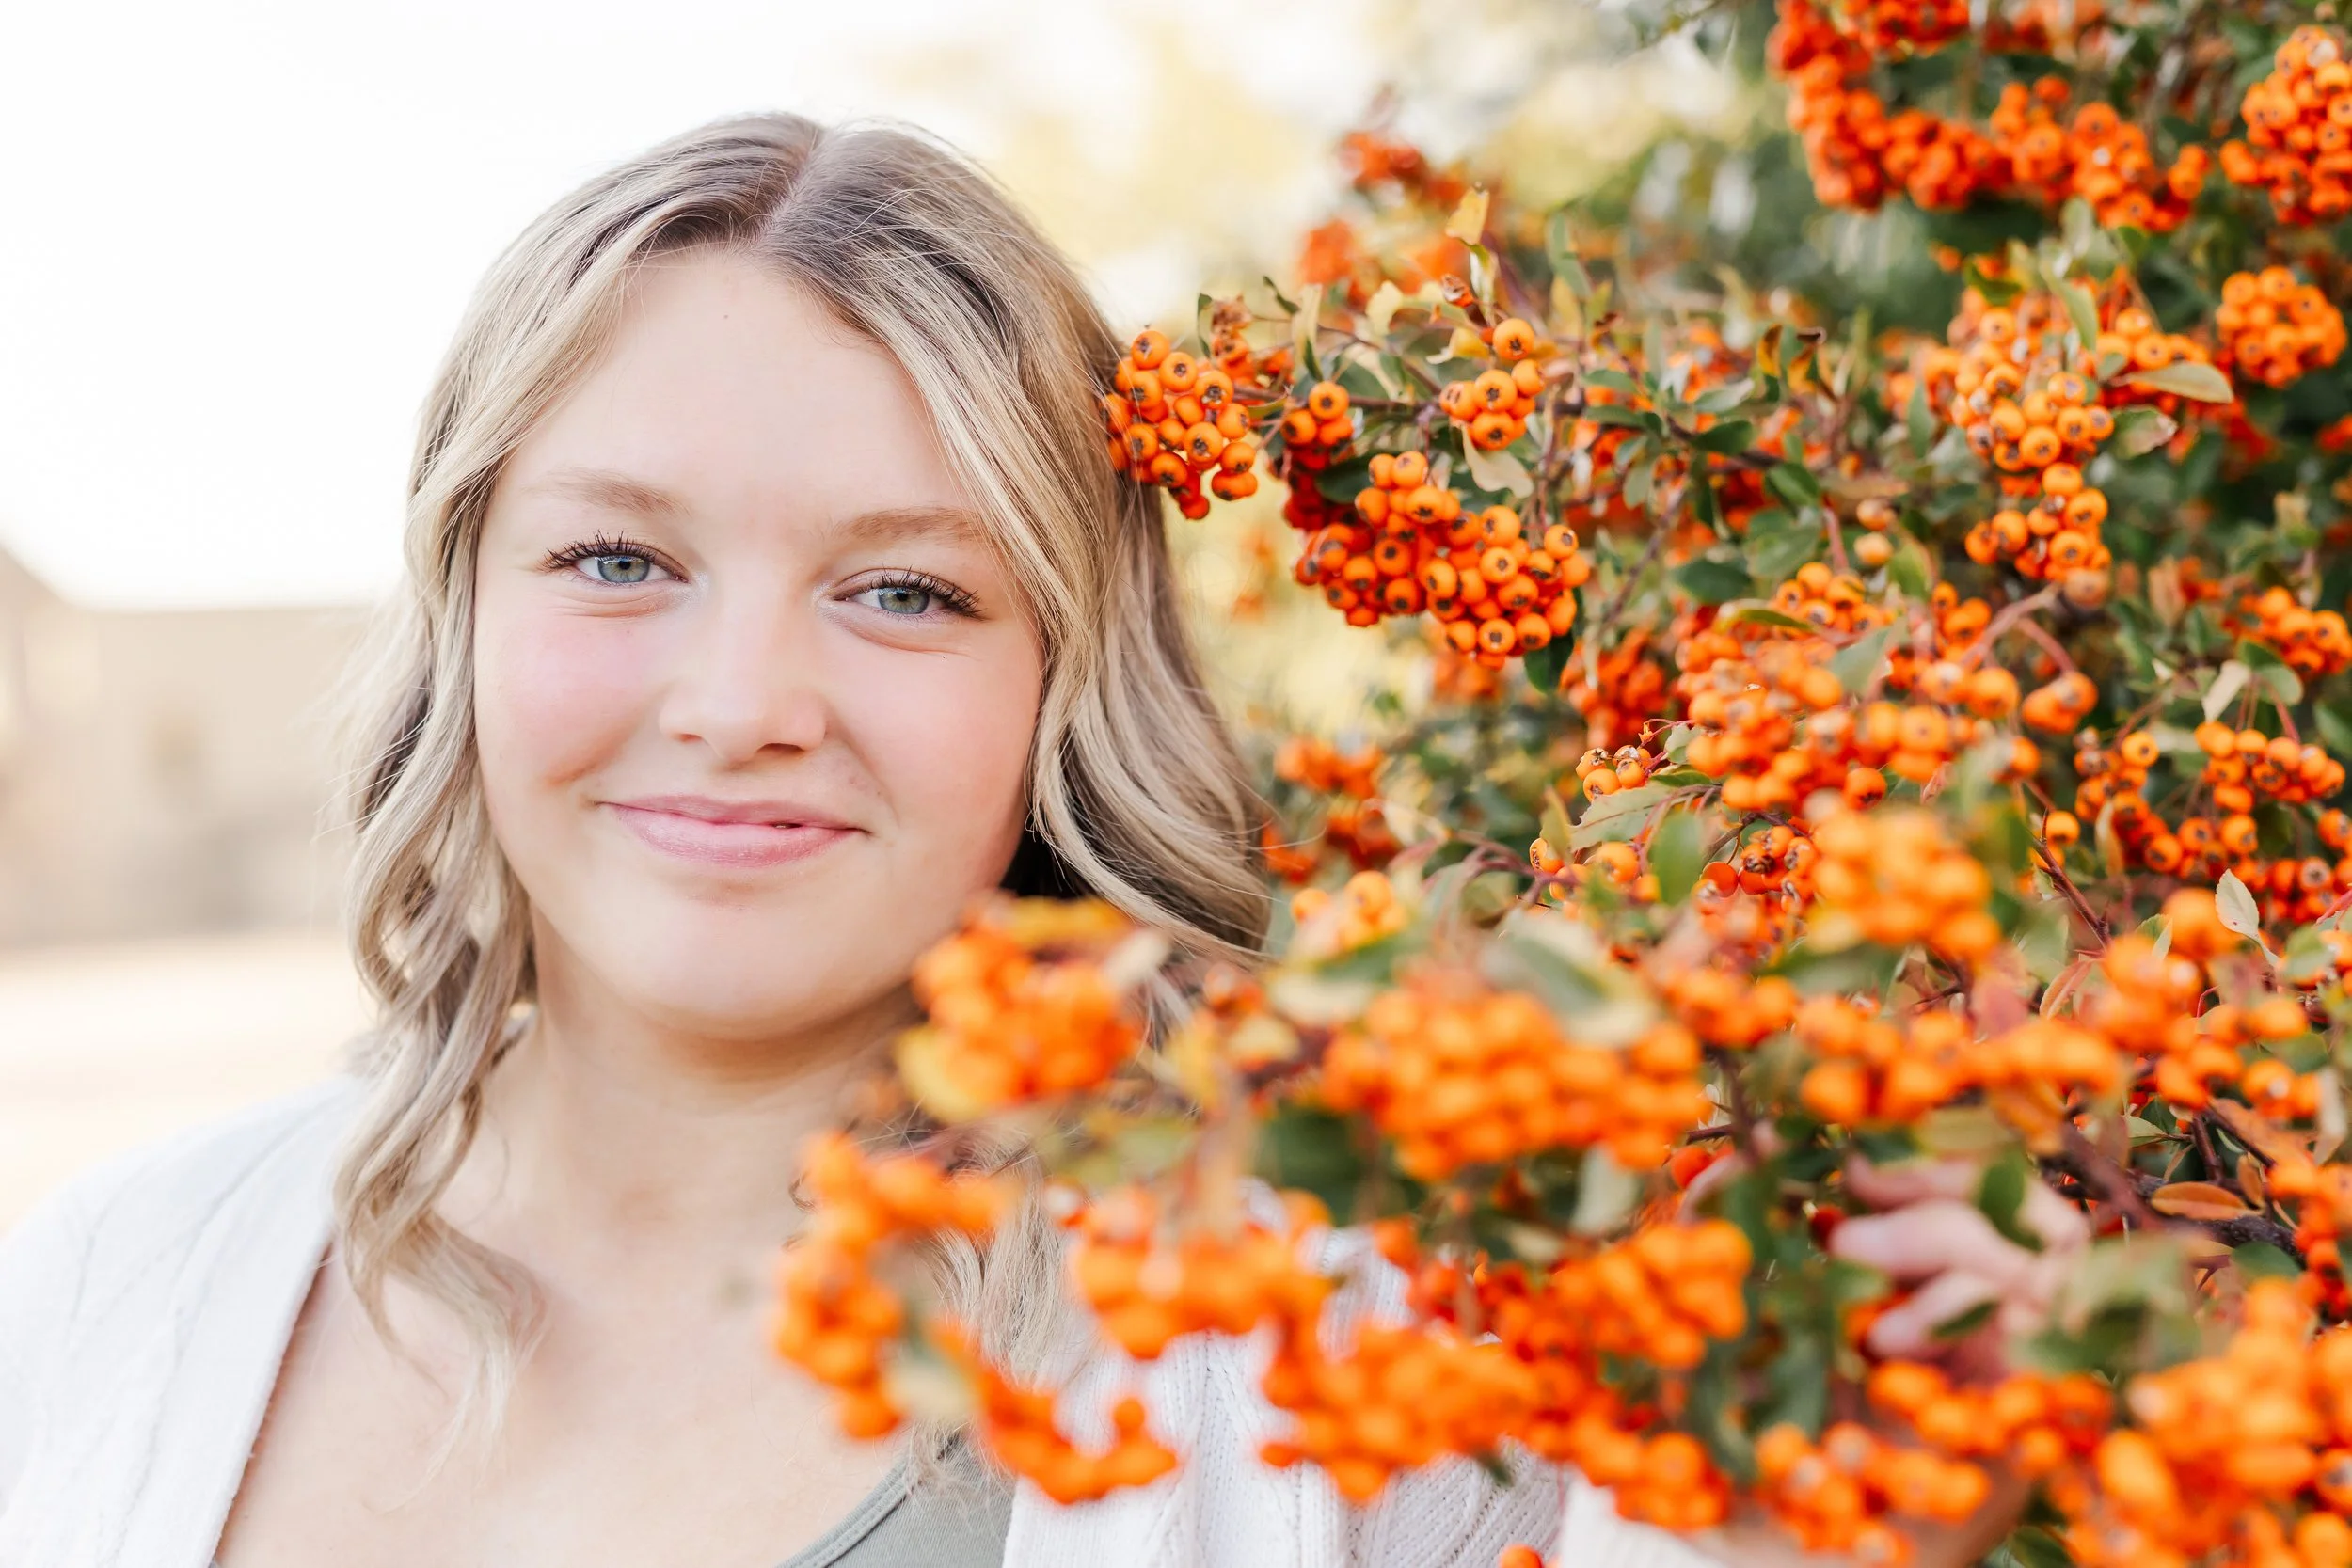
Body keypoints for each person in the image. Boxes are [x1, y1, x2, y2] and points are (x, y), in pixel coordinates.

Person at [0, 113, 2045, 1568]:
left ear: (1068, 676)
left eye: (906, 590)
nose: (739, 695)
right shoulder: (108, 1283)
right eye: (617, 554)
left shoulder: (1359, 1344)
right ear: (460, 603)